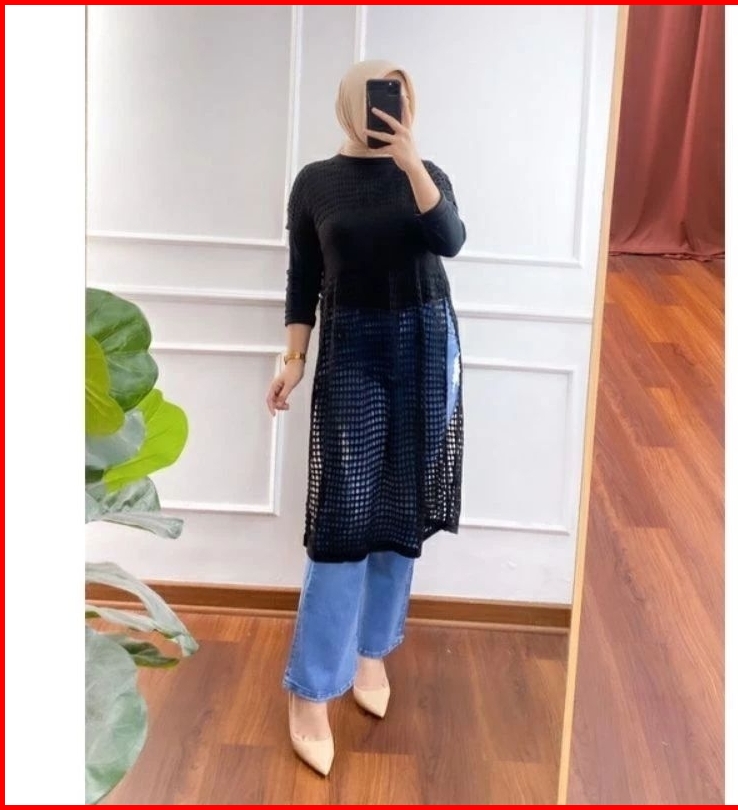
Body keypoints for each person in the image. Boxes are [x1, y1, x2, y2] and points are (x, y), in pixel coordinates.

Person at [266, 59, 466, 777]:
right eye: (383, 97)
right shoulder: (315, 183)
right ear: (351, 102)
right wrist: (293, 358)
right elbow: (303, 277)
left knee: (401, 508)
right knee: (344, 518)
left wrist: (410, 163)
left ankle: (372, 652)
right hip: (352, 346)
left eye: (402, 98)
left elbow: (450, 239)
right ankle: (310, 689)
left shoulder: (426, 172)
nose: (393, 108)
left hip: (425, 342)